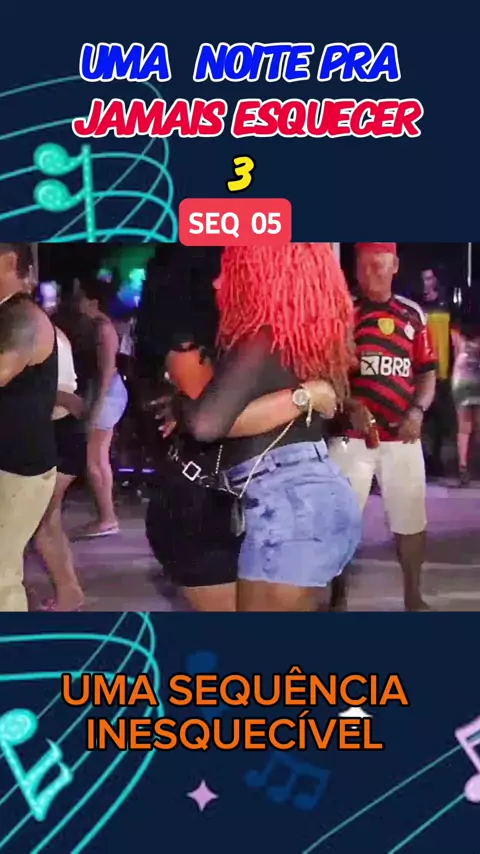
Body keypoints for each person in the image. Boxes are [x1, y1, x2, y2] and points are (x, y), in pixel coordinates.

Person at [142, 247, 339, 611]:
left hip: (261, 500)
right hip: (206, 504)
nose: (222, 280)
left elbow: (208, 418)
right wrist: (305, 396)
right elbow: (208, 420)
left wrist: (312, 397)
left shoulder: (279, 336)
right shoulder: (201, 338)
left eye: (234, 268)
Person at [329, 243, 437, 612]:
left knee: (410, 520)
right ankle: (337, 599)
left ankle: (413, 596)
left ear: (395, 266)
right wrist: (349, 406)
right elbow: (328, 372)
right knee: (341, 521)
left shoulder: (413, 315)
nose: (371, 273)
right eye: (364, 267)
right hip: (351, 439)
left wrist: (417, 412)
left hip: (401, 437)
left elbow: (427, 374)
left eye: (379, 266)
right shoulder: (344, 313)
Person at [0, 243, 58, 611]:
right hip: (12, 464)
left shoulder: (23, 317)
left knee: (2, 575)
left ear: (8, 261)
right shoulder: (9, 313)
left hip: (18, 469)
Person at [76, 279, 128, 537]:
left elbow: (106, 372)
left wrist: (95, 409)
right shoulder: (101, 327)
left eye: (81, 297)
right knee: (98, 458)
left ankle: (106, 518)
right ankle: (106, 517)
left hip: (107, 394)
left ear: (93, 302)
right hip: (107, 393)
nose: (78, 303)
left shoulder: (103, 329)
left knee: (94, 460)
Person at [421, 268, 452, 477]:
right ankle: (425, 458)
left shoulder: (445, 304)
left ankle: (437, 459)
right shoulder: (419, 306)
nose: (426, 282)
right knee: (424, 417)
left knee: (441, 419)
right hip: (425, 370)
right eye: (423, 279)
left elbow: (453, 337)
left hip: (443, 371)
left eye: (429, 278)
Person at [451, 321, 480, 486]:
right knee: (473, 426)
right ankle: (465, 468)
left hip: (462, 377)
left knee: (464, 427)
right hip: (471, 378)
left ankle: (463, 468)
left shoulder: (456, 333)